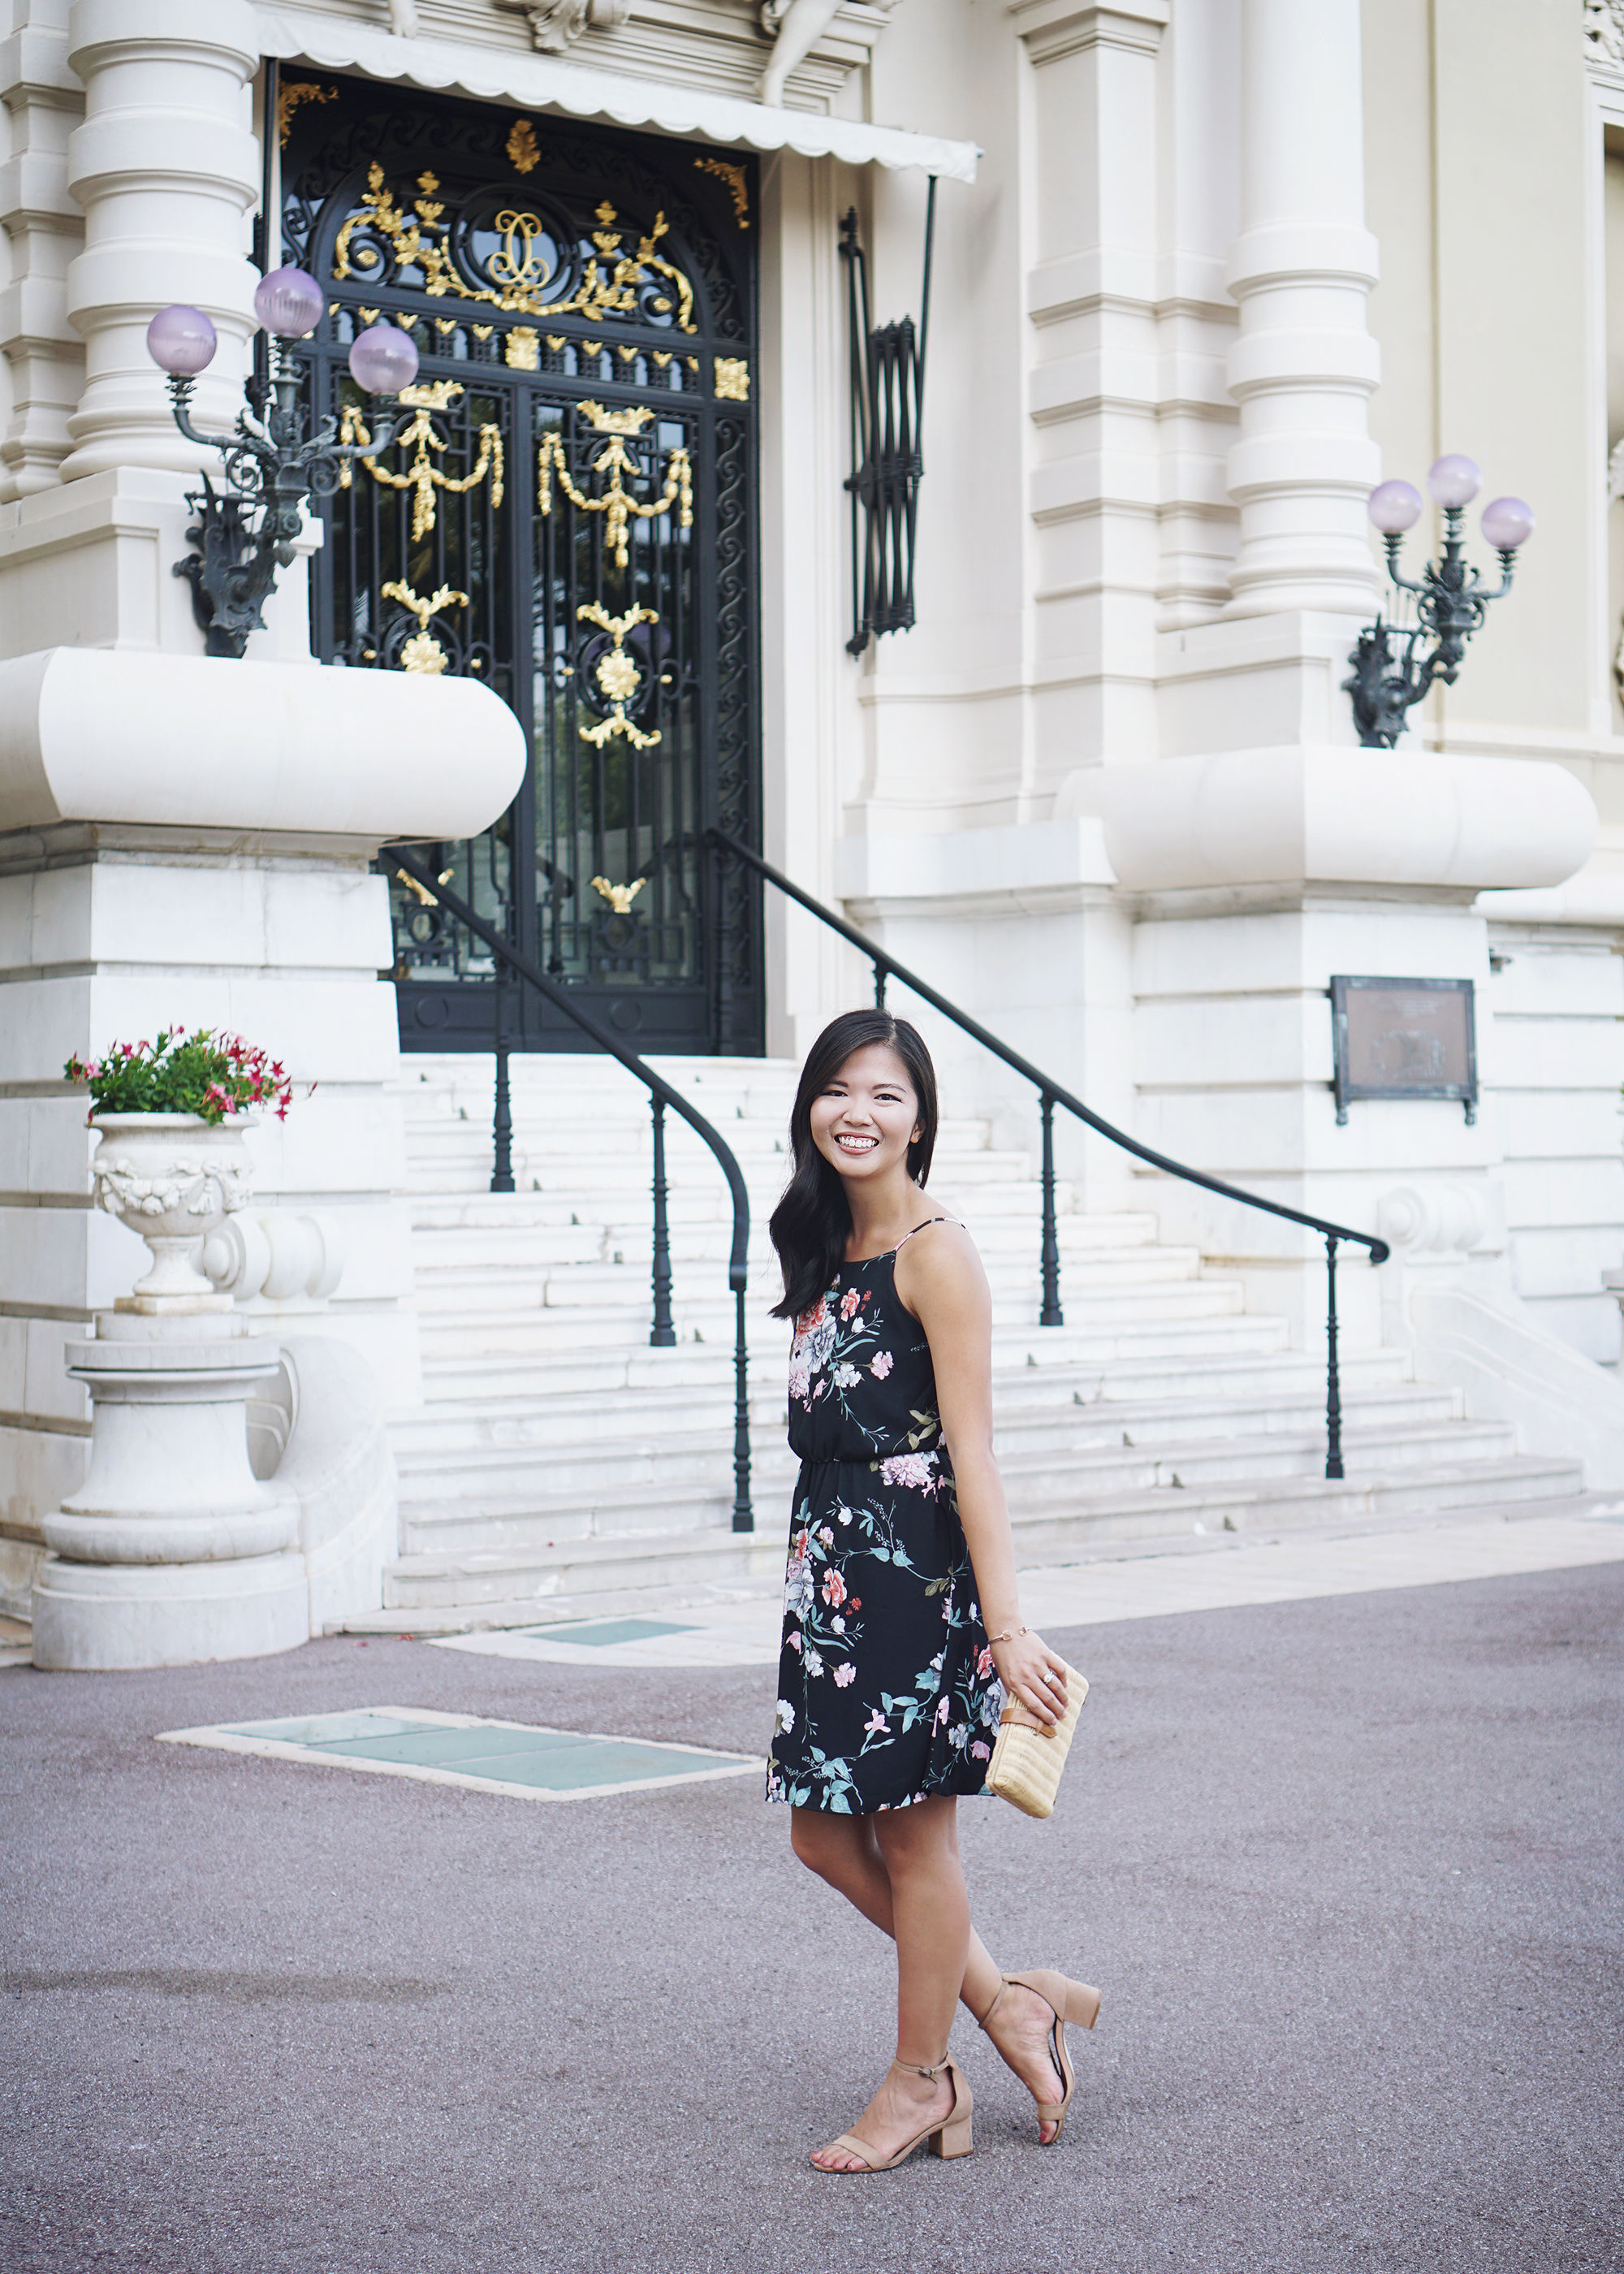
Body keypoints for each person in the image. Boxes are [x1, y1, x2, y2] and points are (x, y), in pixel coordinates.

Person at [766, 1008, 1102, 2173]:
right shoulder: (822, 1246)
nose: (858, 1112)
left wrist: (1007, 1632)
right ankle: (1011, 2004)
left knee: (915, 1847)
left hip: (917, 1587)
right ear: (811, 1106)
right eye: (838, 1090)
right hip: (834, 1587)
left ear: (920, 1122)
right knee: (822, 1838)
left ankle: (922, 2084)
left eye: (887, 1094)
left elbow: (974, 1451)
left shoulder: (936, 1253)